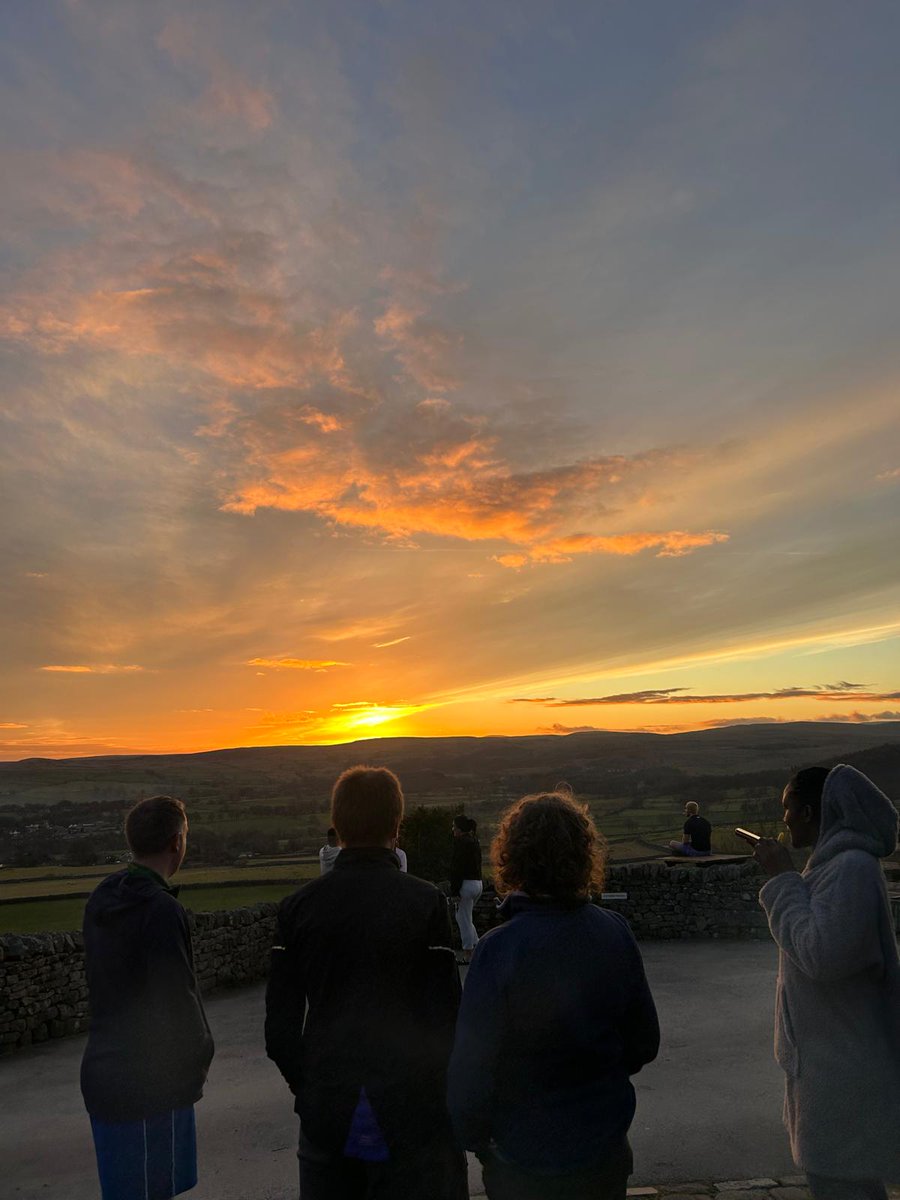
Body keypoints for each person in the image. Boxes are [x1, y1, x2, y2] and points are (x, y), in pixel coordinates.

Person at [266, 765, 468, 1200]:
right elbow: (447, 1019)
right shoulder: (425, 902)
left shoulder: (297, 909)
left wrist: (311, 1088)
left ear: (337, 827)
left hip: (328, 1110)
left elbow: (279, 1032)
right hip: (410, 1111)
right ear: (397, 827)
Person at [448, 790, 660, 1200]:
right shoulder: (615, 932)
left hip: (520, 1160)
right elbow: (644, 1044)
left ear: (513, 857)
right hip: (602, 1150)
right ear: (583, 855)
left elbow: (471, 1069)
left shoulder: (497, 949)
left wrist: (480, 1142)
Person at [753, 765, 900, 1198]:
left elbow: (822, 956)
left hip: (843, 1073)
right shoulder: (836, 867)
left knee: (843, 1184)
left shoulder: (851, 868)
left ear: (810, 812)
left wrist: (782, 879)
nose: (783, 820)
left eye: (788, 809)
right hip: (832, 1068)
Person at [81, 795, 214, 1200]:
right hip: (149, 1084)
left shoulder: (103, 896)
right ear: (177, 842)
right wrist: (200, 1056)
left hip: (103, 1074)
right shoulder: (161, 911)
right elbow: (179, 1000)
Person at [450, 814, 482, 964]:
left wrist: (455, 891)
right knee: (465, 917)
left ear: (460, 829)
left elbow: (457, 868)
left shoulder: (461, 843)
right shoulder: (474, 841)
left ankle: (468, 953)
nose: (452, 830)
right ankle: (477, 945)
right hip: (477, 883)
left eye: (454, 827)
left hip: (466, 885)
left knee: (463, 920)